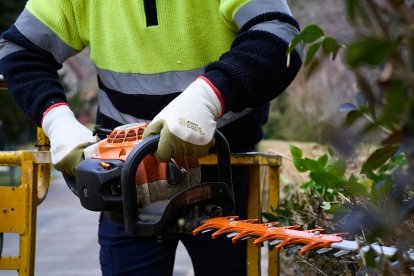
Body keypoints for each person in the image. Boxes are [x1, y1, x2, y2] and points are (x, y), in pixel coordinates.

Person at [0, 0, 302, 275]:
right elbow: (19, 49)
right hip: (125, 178)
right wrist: (56, 119)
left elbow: (279, 35)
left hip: (224, 172)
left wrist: (209, 97)